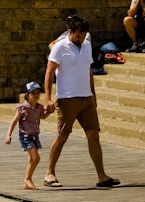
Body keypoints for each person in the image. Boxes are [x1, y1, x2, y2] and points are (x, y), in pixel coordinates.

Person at [42, 16, 119, 189]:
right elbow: (49, 72)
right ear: (71, 32)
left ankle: (102, 176)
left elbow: (89, 70)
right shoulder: (60, 47)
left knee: (94, 135)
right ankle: (49, 173)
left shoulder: (86, 45)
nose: (81, 39)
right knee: (63, 136)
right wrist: (47, 97)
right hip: (67, 99)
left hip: (86, 98)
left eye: (83, 36)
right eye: (78, 36)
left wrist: (93, 94)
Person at [5, 81, 51, 190]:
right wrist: (8, 135)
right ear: (27, 95)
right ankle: (27, 179)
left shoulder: (39, 107)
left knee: (32, 159)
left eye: (38, 93)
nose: (36, 95)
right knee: (36, 158)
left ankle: (27, 181)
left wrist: (49, 112)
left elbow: (42, 117)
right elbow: (14, 121)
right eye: (33, 93)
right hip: (25, 136)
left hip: (35, 135)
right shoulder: (23, 108)